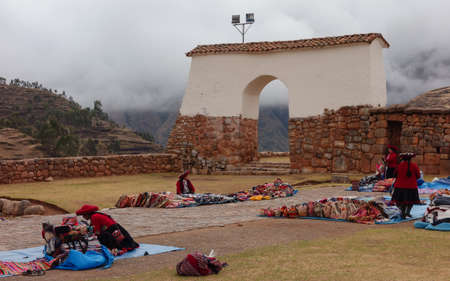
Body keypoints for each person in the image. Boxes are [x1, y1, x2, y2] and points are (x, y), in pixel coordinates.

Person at [391, 153, 421, 219]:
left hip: (399, 187)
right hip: (411, 187)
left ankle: (402, 212)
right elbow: (418, 176)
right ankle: (408, 212)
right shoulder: (414, 166)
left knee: (400, 201)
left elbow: (395, 175)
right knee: (411, 201)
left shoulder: (399, 166)